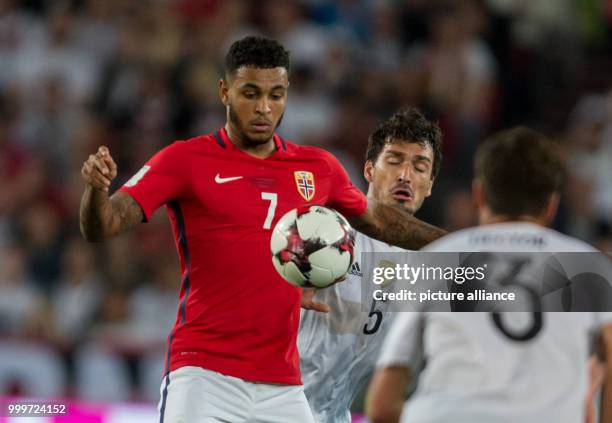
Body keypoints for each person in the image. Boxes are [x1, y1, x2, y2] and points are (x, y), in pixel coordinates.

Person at [79, 36, 445, 423]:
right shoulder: (186, 159)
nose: (264, 108)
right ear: (225, 91)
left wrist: (463, 244)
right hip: (204, 373)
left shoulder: (318, 167)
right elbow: (102, 224)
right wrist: (95, 190)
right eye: (251, 93)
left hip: (283, 388)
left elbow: (382, 222)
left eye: (276, 94)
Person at [366, 127, 612, 423]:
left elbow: (382, 405)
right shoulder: (588, 266)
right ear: (551, 205)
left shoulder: (438, 259)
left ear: (478, 195)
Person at [298, 107, 442, 423]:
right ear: (369, 170)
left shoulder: (425, 271)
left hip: (334, 415)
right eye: (393, 161)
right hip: (271, 409)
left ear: (430, 184)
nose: (405, 175)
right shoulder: (330, 230)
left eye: (420, 167)